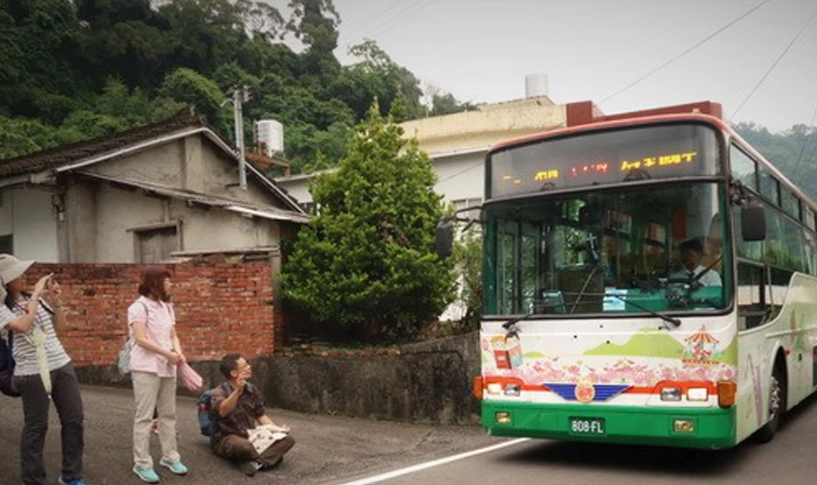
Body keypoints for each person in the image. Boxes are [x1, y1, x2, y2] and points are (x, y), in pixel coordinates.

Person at [0, 254, 88, 485]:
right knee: (37, 426)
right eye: (18, 274)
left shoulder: (33, 299)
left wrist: (56, 301)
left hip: (61, 363)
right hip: (30, 372)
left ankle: (71, 475)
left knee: (74, 420)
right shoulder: (1, 308)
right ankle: (33, 480)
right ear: (5, 282)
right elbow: (21, 326)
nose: (25, 277)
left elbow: (60, 327)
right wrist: (37, 296)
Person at [128, 265, 189, 483]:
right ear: (154, 283)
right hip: (146, 367)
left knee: (168, 414)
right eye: (166, 280)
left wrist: (178, 352)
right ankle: (142, 463)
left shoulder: (166, 307)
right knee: (144, 417)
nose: (170, 284)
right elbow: (141, 339)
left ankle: (170, 457)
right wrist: (168, 354)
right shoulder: (138, 307)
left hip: (167, 366)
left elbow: (173, 335)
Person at [210, 353, 295, 477]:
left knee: (287, 440)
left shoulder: (251, 390)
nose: (249, 367)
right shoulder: (218, 392)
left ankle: (254, 463)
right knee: (245, 447)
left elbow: (260, 415)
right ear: (234, 373)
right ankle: (269, 459)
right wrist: (237, 392)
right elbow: (223, 411)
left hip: (251, 436)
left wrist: (276, 431)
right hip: (226, 439)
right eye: (245, 366)